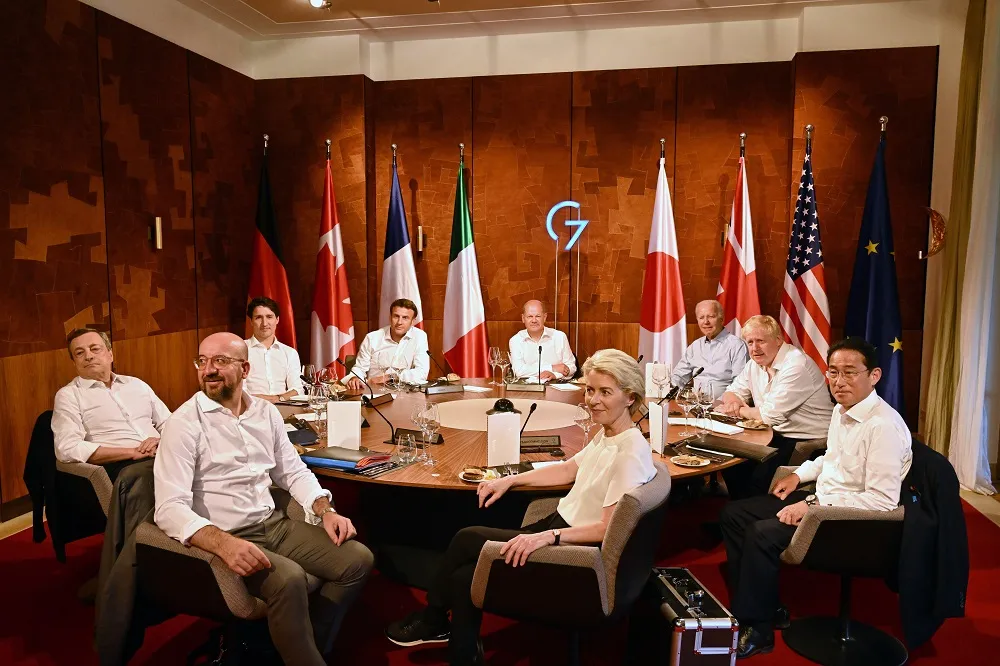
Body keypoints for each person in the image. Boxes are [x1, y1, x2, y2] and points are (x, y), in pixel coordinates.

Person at [385, 349, 655, 665]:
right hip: (560, 524)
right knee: (464, 574)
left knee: (467, 539)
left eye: (605, 392)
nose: (593, 400)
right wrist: (510, 480)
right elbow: (568, 470)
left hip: (574, 550)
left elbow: (607, 528)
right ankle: (460, 650)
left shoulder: (630, 452)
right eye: (590, 390)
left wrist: (548, 537)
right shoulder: (610, 433)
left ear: (630, 397)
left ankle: (432, 621)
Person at [153, 332, 374, 666]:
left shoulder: (266, 413)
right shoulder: (183, 423)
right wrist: (223, 544)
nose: (209, 370)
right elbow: (169, 508)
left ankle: (303, 646)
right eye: (203, 361)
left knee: (358, 560)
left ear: (245, 369)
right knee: (289, 579)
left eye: (220, 361)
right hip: (229, 535)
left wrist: (325, 509)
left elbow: (292, 472)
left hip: (275, 525)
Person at [720, 337, 912, 658]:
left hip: (850, 522)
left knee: (761, 533)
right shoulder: (842, 409)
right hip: (823, 499)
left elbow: (881, 502)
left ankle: (759, 627)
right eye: (833, 372)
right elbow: (831, 459)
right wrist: (799, 475)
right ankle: (766, 604)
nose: (839, 381)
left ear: (874, 375)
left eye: (850, 372)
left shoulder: (883, 427)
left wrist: (811, 506)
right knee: (734, 515)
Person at [716, 315, 834, 499]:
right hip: (772, 434)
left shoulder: (796, 365)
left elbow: (769, 416)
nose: (754, 348)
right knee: (730, 460)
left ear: (778, 340)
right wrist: (732, 402)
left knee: (756, 476)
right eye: (750, 342)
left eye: (760, 341)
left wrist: (737, 410)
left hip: (806, 440)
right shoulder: (754, 364)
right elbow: (732, 391)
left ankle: (750, 512)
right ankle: (738, 510)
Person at [52, 328, 170, 482]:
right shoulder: (69, 395)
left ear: (110, 354)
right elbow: (67, 448)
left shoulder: (136, 384)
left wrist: (160, 441)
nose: (88, 356)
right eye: (80, 353)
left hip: (163, 453)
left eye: (95, 349)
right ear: (74, 363)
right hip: (124, 466)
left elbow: (169, 423)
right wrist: (132, 452)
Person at [670, 299, 749, 396]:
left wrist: (723, 402)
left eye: (711, 317)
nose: (706, 322)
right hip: (695, 403)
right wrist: (669, 389)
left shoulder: (737, 345)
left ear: (721, 319)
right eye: (701, 318)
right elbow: (679, 376)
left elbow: (741, 385)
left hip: (725, 404)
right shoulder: (695, 346)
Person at [347, 298, 429, 390]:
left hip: (404, 392)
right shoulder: (372, 338)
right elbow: (359, 368)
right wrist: (355, 377)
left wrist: (392, 377)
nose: (399, 322)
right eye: (396, 316)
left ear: (413, 321)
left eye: (405, 318)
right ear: (390, 317)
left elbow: (422, 373)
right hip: (374, 391)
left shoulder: (419, 336)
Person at [244, 296, 304, 403]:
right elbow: (239, 391)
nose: (264, 323)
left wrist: (278, 399)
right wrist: (263, 401)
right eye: (258, 317)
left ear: (277, 320)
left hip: (284, 407)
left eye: (269, 317)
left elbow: (297, 389)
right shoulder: (240, 350)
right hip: (251, 408)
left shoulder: (289, 353)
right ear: (251, 321)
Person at [508, 299, 576, 382]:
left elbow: (571, 367)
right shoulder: (516, 340)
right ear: (523, 318)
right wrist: (552, 368)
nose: (534, 320)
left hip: (556, 385)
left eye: (538, 316)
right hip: (527, 388)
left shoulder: (559, 336)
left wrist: (554, 375)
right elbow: (519, 371)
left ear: (544, 317)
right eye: (530, 316)